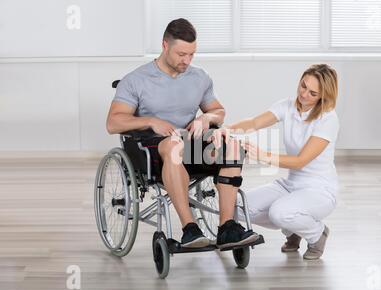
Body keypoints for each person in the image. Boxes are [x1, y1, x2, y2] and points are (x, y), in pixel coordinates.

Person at [106, 18, 259, 249]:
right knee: (175, 147)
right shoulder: (135, 80)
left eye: (192, 54)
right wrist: (151, 121)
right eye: (181, 54)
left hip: (191, 143)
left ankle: (227, 227)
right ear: (165, 45)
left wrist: (205, 118)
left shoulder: (200, 78)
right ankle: (190, 229)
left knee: (233, 147)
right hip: (153, 146)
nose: (186, 61)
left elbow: (219, 111)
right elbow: (113, 122)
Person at [212, 64, 339, 259]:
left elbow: (300, 161)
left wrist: (263, 155)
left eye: (313, 93)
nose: (304, 94)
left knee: (279, 213)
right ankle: (294, 230)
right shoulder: (287, 106)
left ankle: (317, 234)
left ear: (323, 96)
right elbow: (254, 123)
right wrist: (227, 129)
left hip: (319, 190)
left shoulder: (327, 119)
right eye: (303, 85)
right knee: (234, 206)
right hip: (290, 185)